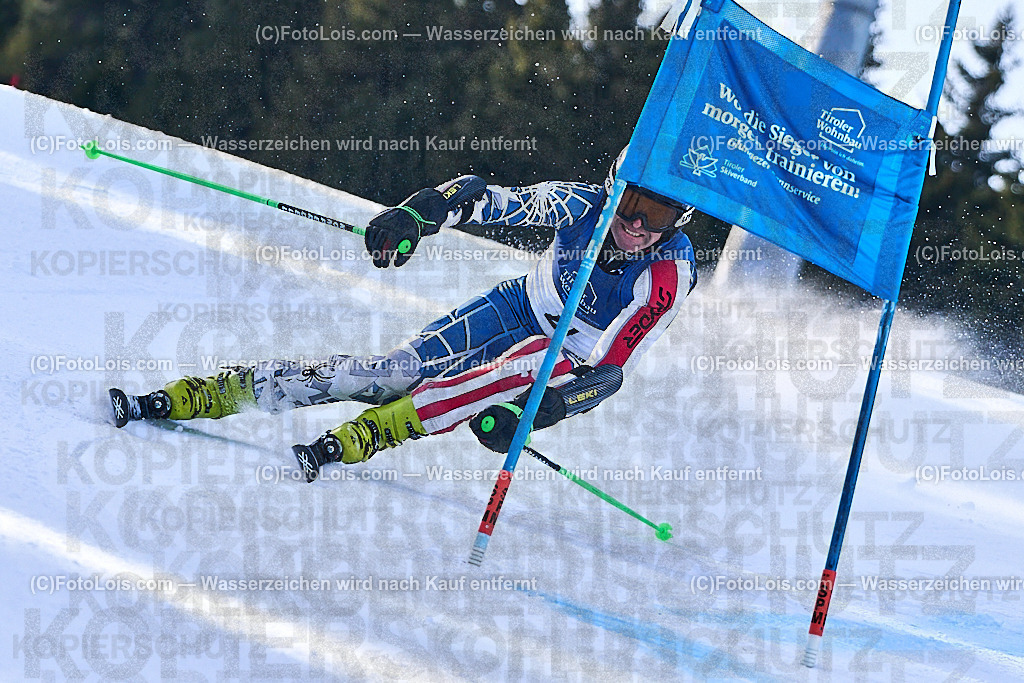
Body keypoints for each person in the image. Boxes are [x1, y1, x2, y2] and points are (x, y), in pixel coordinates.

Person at [109, 148, 698, 482]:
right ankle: (207, 395)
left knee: (520, 367)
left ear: (680, 224)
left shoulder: (668, 275)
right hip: (520, 304)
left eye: (658, 215)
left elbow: (608, 370)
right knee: (390, 374)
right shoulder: (585, 205)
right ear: (613, 187)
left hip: (567, 356)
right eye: (632, 202)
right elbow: (490, 200)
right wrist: (422, 214)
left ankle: (364, 438)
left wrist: (558, 404)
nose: (637, 225)